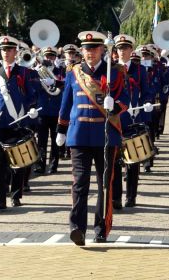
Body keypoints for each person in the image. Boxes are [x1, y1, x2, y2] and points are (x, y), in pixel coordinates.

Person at [56, 31, 130, 246]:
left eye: (94, 49)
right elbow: (66, 103)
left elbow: (125, 97)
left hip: (105, 135)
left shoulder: (115, 73)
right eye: (86, 49)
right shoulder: (74, 72)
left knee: (104, 185)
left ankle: (101, 229)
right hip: (78, 136)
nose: (90, 53)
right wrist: (61, 129)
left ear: (102, 50)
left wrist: (115, 105)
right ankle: (77, 228)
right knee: (80, 184)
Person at [0, 35, 37, 209]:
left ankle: (16, 195)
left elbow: (31, 95)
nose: (5, 53)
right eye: (3, 50)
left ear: (15, 52)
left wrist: (31, 108)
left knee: (19, 161)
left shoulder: (23, 72)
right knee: (0, 163)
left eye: (8, 50)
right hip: (1, 124)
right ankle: (0, 199)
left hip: (19, 121)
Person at [111, 35, 153, 209]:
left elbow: (147, 92)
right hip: (114, 119)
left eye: (125, 48)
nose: (122, 51)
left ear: (131, 50)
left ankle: (131, 196)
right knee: (114, 160)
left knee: (133, 161)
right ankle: (116, 198)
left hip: (133, 118)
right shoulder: (111, 69)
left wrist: (147, 103)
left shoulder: (139, 70)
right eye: (119, 48)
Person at [34, 46, 66, 174]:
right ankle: (40, 165)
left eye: (52, 56)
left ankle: (53, 165)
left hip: (56, 110)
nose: (49, 58)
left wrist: (53, 81)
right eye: (47, 56)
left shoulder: (61, 71)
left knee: (55, 140)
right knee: (41, 140)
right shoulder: (37, 71)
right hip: (42, 110)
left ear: (55, 58)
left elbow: (64, 84)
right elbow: (33, 87)